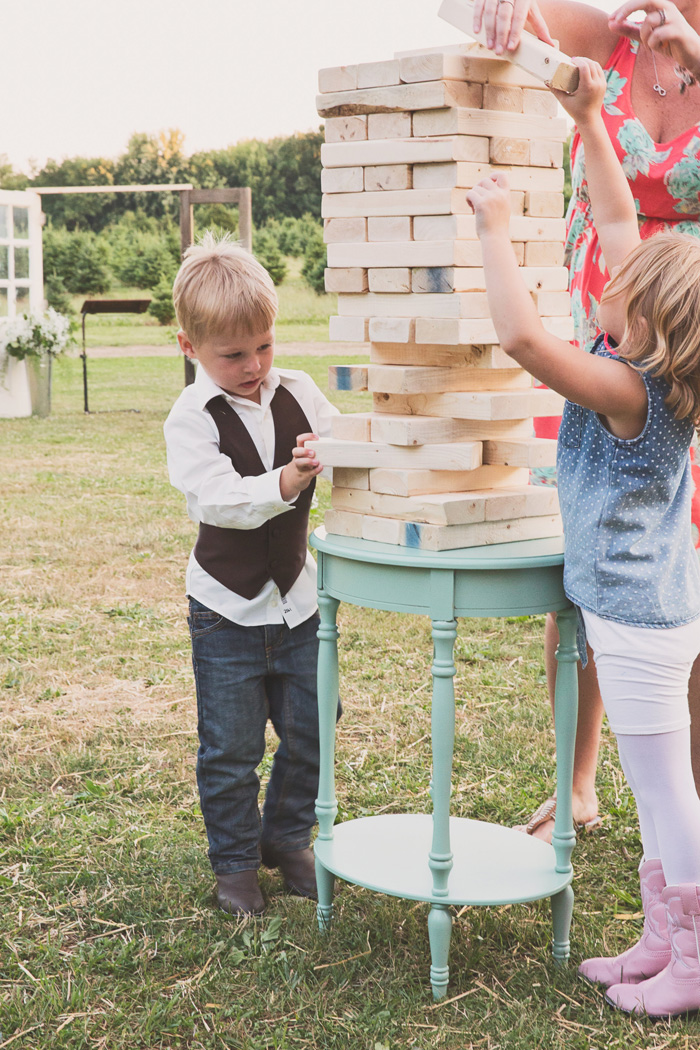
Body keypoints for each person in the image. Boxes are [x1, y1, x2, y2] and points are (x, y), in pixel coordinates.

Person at [467, 57, 700, 1018]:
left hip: (641, 632)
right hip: (646, 614)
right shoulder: (649, 360)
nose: (601, 271)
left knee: (668, 801)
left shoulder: (628, 393)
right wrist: (593, 124)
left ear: (639, 318)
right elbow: (615, 223)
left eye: (618, 282)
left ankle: (693, 959)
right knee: (658, 802)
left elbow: (526, 341)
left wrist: (490, 228)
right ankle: (660, 939)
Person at [164, 234, 339, 916]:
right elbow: (217, 499)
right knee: (232, 747)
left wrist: (338, 450)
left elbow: (343, 444)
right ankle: (235, 863)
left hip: (298, 602)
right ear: (190, 348)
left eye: (263, 346)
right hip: (226, 610)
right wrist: (289, 478)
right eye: (233, 355)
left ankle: (287, 836)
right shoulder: (192, 417)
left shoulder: (297, 390)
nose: (253, 365)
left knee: (314, 725)